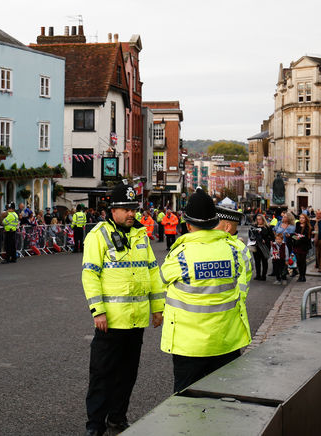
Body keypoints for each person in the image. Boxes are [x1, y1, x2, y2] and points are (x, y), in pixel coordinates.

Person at [81, 182, 164, 435]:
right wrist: (99, 311)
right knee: (102, 375)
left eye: (133, 208)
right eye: (125, 209)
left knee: (127, 375)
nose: (131, 214)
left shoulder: (141, 235)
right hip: (111, 322)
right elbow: (90, 275)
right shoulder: (98, 235)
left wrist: (157, 308)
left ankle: (117, 418)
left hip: (136, 321)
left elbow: (153, 273)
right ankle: (94, 425)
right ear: (112, 210)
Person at [159, 187, 251, 394]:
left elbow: (162, 279)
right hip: (227, 339)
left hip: (189, 344)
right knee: (222, 399)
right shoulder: (234, 250)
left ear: (189, 225)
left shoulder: (180, 254)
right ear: (214, 222)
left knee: (186, 402)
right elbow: (243, 280)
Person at [248, 213, 273, 280]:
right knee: (257, 261)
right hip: (256, 246)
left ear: (263, 219)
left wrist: (266, 240)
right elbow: (250, 235)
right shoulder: (254, 227)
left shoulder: (267, 227)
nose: (258, 221)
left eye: (260, 219)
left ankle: (263, 275)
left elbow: (272, 237)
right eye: (257, 219)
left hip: (264, 246)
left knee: (264, 261)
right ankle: (258, 275)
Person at [291, 213, 313, 282]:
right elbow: (294, 234)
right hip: (297, 245)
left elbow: (306, 238)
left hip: (304, 246)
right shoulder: (297, 224)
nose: (301, 219)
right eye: (300, 218)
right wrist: (296, 237)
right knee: (298, 261)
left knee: (303, 261)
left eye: (303, 218)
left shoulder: (308, 227)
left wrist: (299, 237)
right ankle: (300, 275)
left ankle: (303, 276)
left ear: (306, 219)